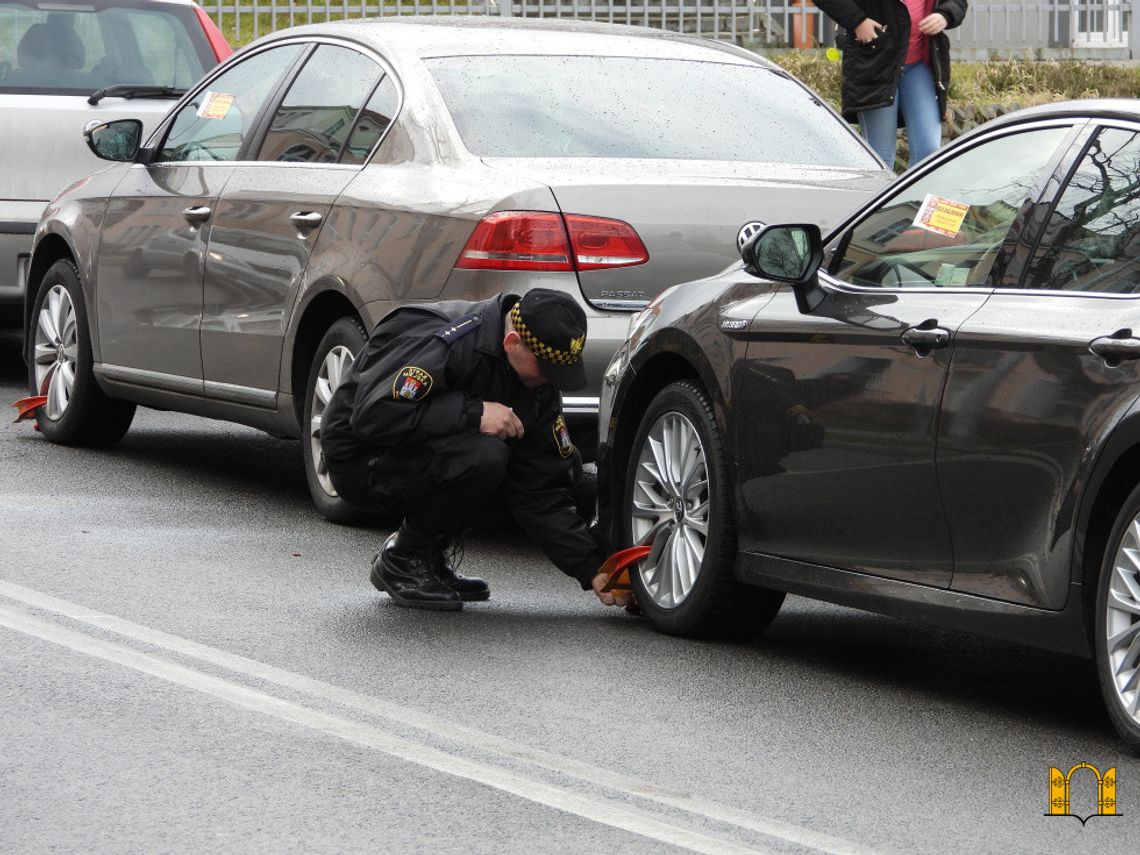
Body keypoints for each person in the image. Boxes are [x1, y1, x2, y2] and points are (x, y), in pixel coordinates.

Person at [319, 289, 629, 612]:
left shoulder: (537, 386)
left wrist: (594, 566)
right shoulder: (450, 343)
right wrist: (473, 414)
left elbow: (538, 489)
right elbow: (373, 415)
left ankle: (427, 553)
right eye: (546, 369)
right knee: (486, 457)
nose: (551, 381)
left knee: (538, 469)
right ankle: (403, 557)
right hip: (359, 456)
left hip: (417, 453)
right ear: (511, 342)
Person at [815, 0, 968, 170]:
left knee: (929, 152)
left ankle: (912, 197)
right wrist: (857, 22)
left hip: (920, 65)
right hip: (875, 63)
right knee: (880, 157)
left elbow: (956, 2)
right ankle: (876, 196)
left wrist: (945, 15)